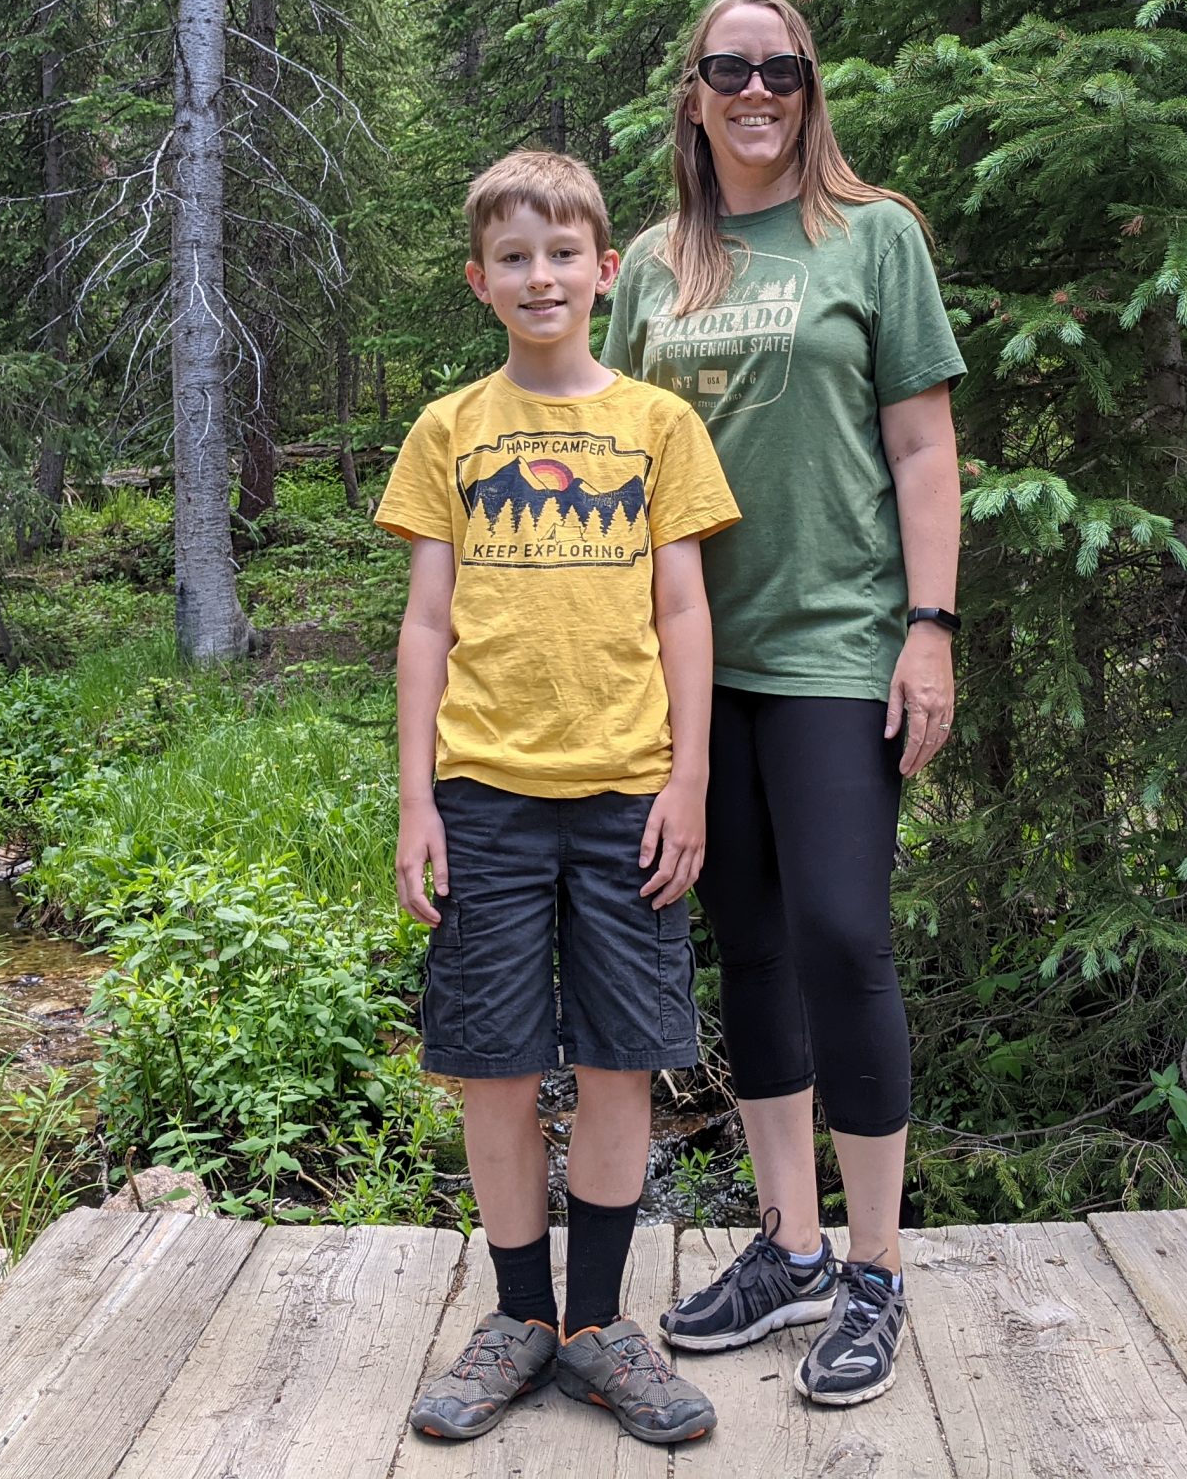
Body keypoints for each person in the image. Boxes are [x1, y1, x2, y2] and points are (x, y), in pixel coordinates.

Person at [604, 0, 964, 1408]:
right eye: (729, 69)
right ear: (693, 94)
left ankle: (875, 1270)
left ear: (811, 88)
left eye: (783, 69)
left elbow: (923, 449)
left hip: (836, 645)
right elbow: (616, 464)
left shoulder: (874, 236)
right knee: (747, 951)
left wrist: (929, 629)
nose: (757, 91)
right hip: (693, 664)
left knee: (843, 939)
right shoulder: (651, 266)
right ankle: (791, 1248)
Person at [381, 149, 739, 1447]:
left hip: (628, 793)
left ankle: (597, 1327)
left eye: (563, 254)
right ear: (481, 281)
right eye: (515, 258)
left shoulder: (658, 427)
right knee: (494, 1062)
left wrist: (689, 778)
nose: (542, 276)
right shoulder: (450, 430)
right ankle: (518, 1316)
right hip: (484, 793)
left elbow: (684, 610)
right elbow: (427, 623)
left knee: (620, 1060)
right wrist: (416, 801)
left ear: (605, 271)